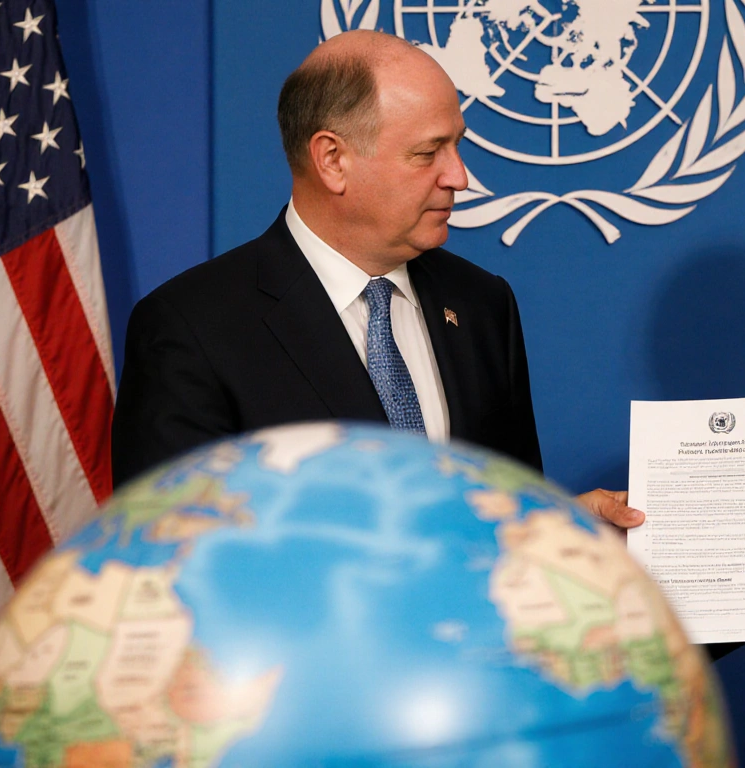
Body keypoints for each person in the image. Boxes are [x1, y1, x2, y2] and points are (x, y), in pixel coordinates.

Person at [111, 31, 640, 527]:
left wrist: (561, 531)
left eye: (456, 146)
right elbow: (172, 553)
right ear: (333, 160)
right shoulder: (192, 330)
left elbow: (499, 516)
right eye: (427, 153)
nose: (458, 176)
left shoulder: (481, 305)